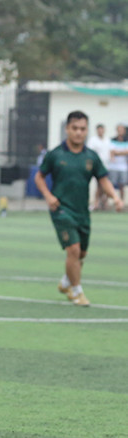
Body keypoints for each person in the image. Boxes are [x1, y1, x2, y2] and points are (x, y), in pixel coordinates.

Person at [35, 111, 123, 307]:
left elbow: (104, 180)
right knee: (73, 250)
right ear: (67, 129)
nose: (78, 132)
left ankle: (66, 281)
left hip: (82, 211)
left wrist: (116, 198)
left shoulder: (91, 157)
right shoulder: (55, 154)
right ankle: (77, 291)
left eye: (82, 129)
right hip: (61, 209)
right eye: (74, 128)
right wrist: (48, 197)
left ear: (86, 131)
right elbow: (39, 177)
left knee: (81, 254)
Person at [87, 124, 112, 210]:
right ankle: (96, 203)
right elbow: (89, 153)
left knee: (103, 185)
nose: (100, 131)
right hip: (97, 166)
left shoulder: (107, 140)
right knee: (99, 185)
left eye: (102, 130)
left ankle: (103, 203)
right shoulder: (93, 140)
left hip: (106, 166)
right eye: (99, 130)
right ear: (97, 130)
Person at [108, 123, 128, 203]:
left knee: (122, 185)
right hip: (113, 167)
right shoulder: (112, 140)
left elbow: (126, 152)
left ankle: (121, 203)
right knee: (111, 185)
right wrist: (121, 152)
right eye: (119, 129)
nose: (120, 131)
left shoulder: (126, 140)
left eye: (122, 130)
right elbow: (111, 152)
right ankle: (113, 202)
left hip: (123, 167)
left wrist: (117, 152)